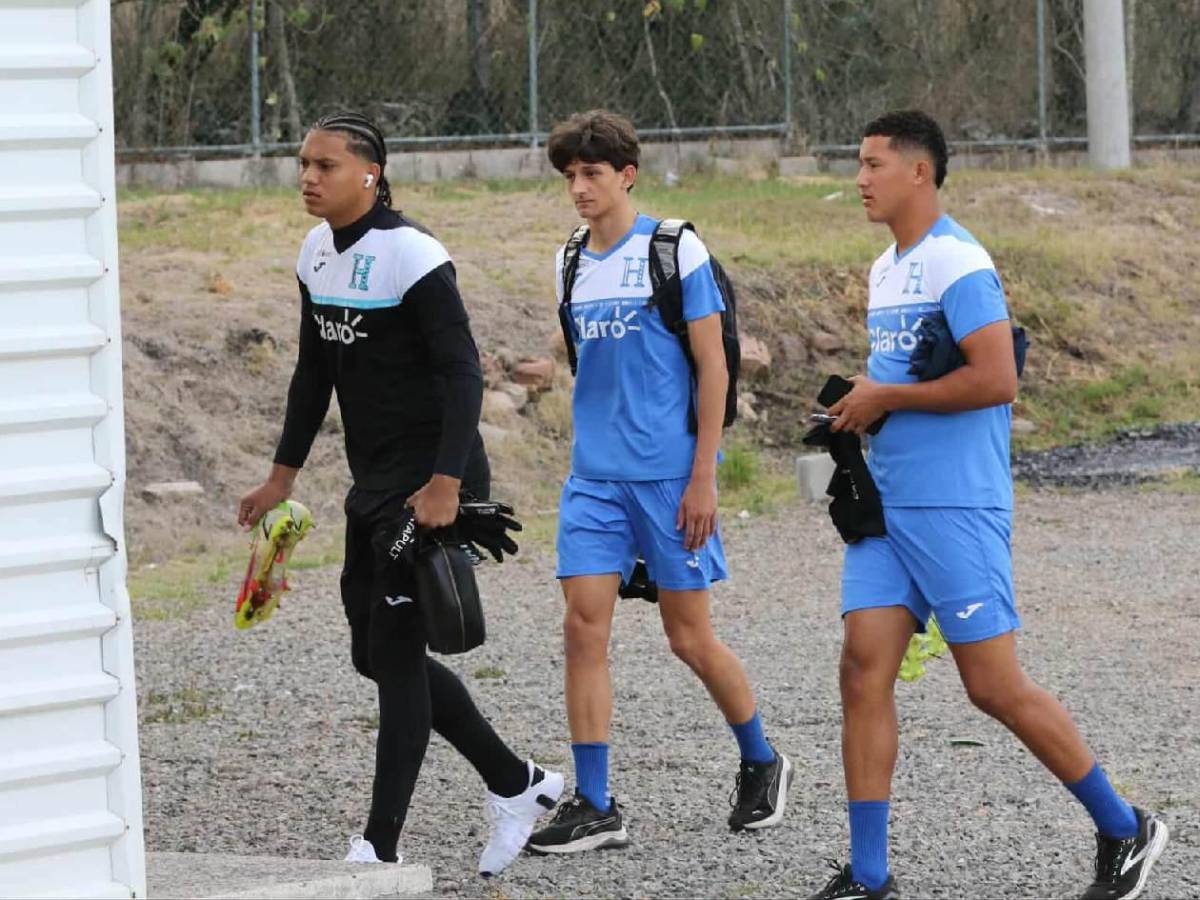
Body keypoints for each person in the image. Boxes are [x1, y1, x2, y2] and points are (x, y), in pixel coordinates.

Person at [806, 109, 1169, 900]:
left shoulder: (959, 261)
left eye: (872, 164)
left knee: (992, 686)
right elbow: (904, 386)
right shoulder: (885, 268)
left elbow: (998, 378)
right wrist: (859, 410)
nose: (859, 179)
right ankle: (870, 878)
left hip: (955, 507)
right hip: (888, 510)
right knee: (863, 669)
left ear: (919, 173)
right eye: (858, 163)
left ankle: (1125, 827)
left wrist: (885, 395)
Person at [236, 111, 562, 877]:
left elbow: (461, 372)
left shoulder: (411, 254)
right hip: (374, 483)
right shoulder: (316, 254)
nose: (309, 178)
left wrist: (447, 482)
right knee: (375, 655)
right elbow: (314, 373)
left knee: (396, 651)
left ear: (369, 176)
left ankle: (380, 843)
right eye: (303, 165)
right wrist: (281, 475)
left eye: (325, 166)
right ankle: (518, 784)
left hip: (430, 485)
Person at [527, 109, 791, 855]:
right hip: (594, 480)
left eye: (592, 174)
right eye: (570, 176)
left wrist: (703, 475)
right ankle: (597, 803)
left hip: (671, 478)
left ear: (627, 175)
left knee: (688, 636)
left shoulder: (674, 250)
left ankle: (762, 758)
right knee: (583, 627)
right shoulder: (569, 261)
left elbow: (714, 366)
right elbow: (588, 359)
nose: (579, 188)